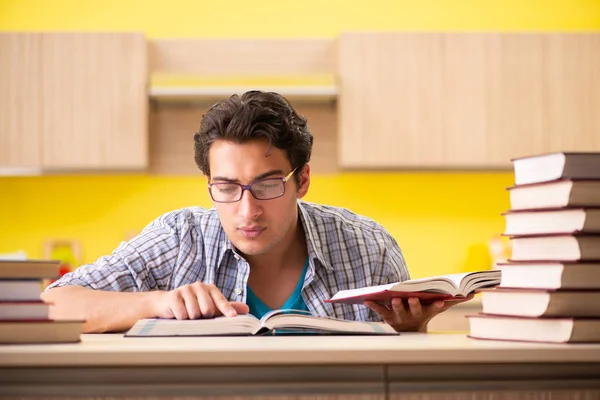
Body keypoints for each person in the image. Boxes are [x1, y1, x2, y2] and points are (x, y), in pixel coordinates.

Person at [43, 91, 468, 333]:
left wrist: (411, 333)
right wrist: (157, 302)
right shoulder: (179, 238)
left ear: (301, 181)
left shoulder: (369, 247)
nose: (247, 210)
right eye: (226, 188)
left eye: (267, 185)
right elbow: (51, 305)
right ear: (209, 185)